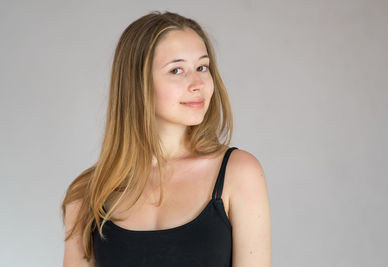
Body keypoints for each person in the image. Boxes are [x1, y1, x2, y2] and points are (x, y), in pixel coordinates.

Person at [61, 10, 271, 267]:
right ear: (138, 84)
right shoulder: (86, 195)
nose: (198, 83)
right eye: (177, 70)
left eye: (202, 67)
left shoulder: (239, 173)